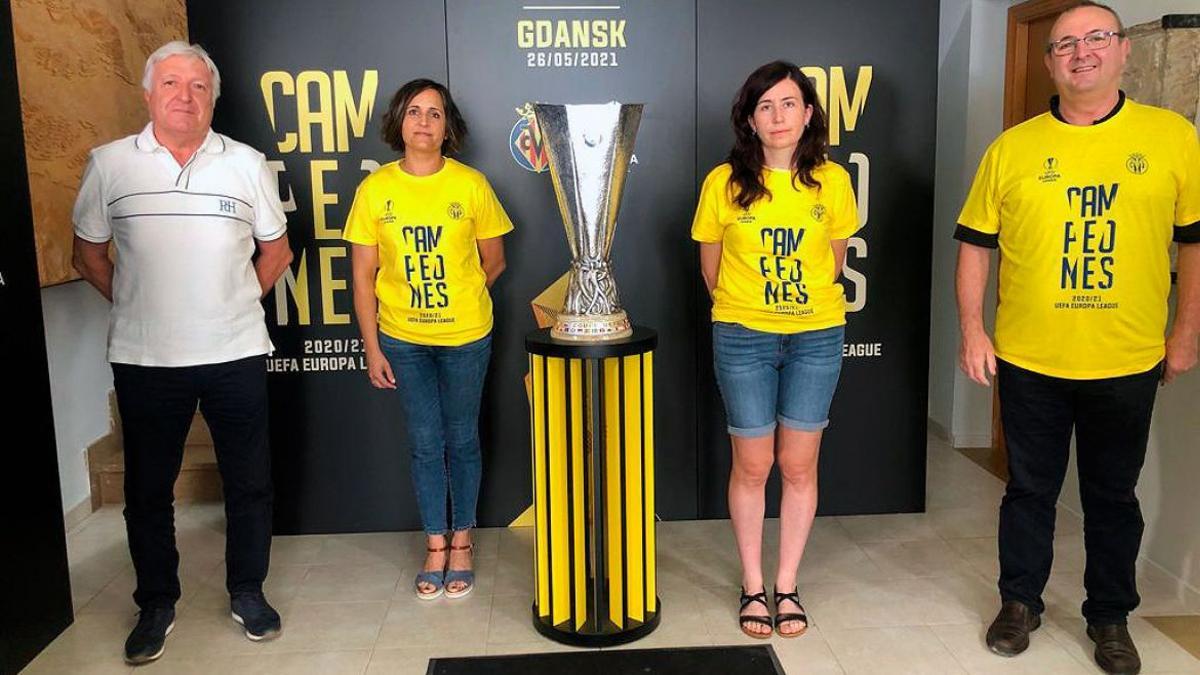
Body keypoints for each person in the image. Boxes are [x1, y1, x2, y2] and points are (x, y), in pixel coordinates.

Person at [955, 2, 1200, 672]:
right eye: (1065, 43)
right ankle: (1020, 601)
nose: (1081, 52)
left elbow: (1194, 243)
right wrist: (974, 329)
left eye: (1096, 38)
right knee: (1028, 490)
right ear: (1048, 62)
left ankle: (1110, 615)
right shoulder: (1014, 147)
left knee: (1112, 496)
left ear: (1122, 51)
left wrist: (1186, 332)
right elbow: (976, 246)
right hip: (1030, 357)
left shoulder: (1172, 137)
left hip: (1127, 357)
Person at [72, 41, 293, 664]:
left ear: (213, 98)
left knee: (250, 483)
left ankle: (248, 592)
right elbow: (87, 255)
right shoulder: (111, 164)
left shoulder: (246, 163)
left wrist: (229, 303)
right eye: (171, 83)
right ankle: (156, 603)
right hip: (145, 358)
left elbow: (276, 252)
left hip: (236, 349)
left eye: (198, 86)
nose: (185, 96)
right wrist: (140, 305)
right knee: (147, 490)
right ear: (149, 94)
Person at [691, 60, 858, 638]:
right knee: (754, 463)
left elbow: (833, 260)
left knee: (798, 463)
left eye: (789, 103)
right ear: (750, 119)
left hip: (816, 336)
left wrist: (796, 308)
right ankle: (752, 585)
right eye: (765, 106)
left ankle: (787, 584)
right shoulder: (724, 182)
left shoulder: (832, 181)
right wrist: (750, 311)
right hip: (743, 338)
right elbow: (711, 268)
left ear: (808, 113)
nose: (778, 115)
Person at [345, 78, 512, 601]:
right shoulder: (376, 190)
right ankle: (434, 542)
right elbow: (363, 275)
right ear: (399, 122)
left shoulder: (472, 185)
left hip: (466, 337)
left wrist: (457, 299)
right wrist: (373, 347)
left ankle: (462, 540)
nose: (423, 122)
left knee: (461, 438)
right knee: (424, 442)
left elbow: (495, 260)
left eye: (434, 113)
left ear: (448, 127)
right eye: (414, 112)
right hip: (402, 341)